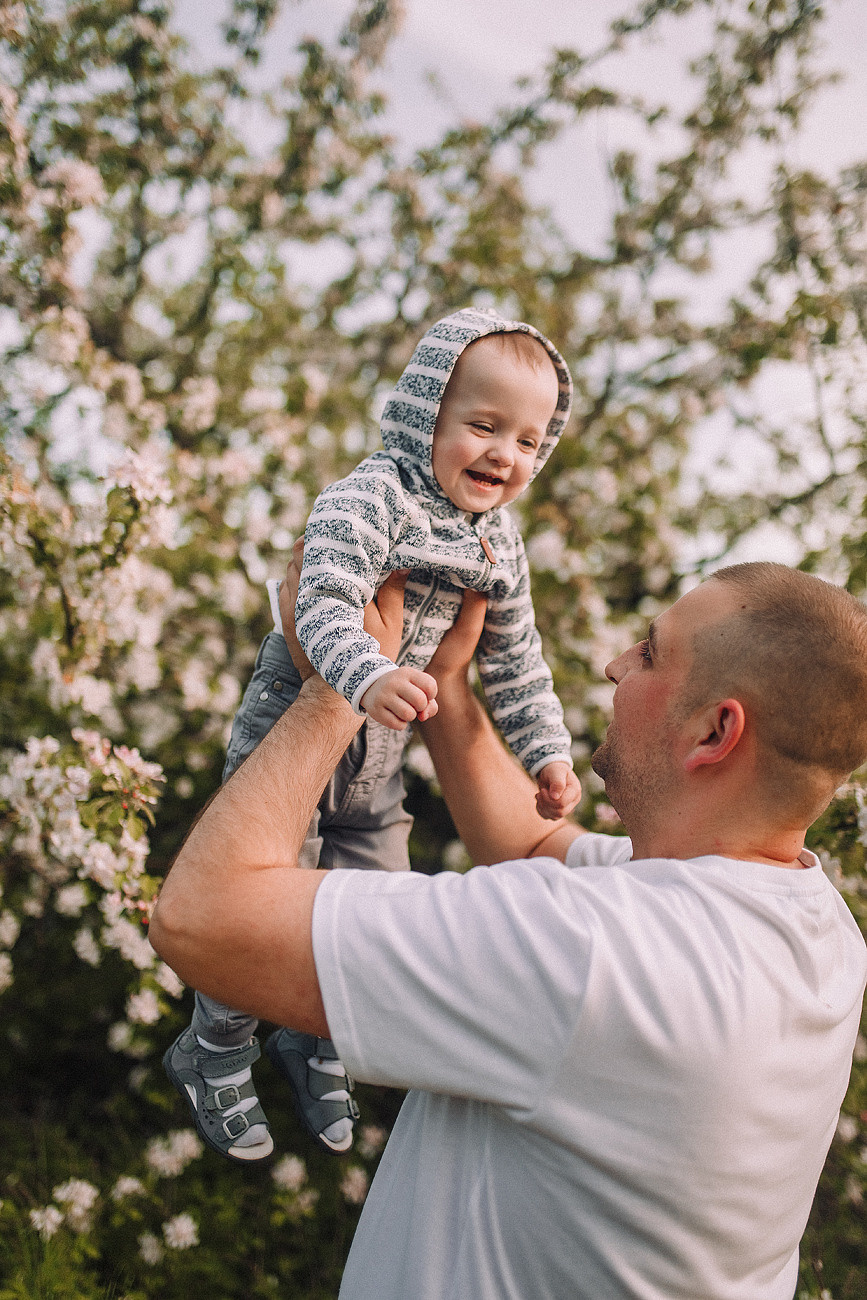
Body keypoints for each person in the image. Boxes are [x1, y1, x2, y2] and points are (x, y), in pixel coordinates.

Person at [150, 555, 867, 1300]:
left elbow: (201, 917)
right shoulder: (813, 927)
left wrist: (337, 683)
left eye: (651, 653)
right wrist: (450, 688)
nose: (614, 665)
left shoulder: (593, 953)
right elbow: (534, 844)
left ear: (714, 730)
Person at [163, 306, 581, 1162]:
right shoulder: (370, 495)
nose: (505, 454)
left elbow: (514, 662)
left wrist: (547, 752)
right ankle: (212, 1050)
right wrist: (368, 674)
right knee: (271, 885)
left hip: (383, 748)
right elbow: (316, 602)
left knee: (373, 892)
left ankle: (314, 1040)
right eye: (484, 426)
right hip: (301, 718)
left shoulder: (500, 545)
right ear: (426, 414)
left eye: (529, 441)